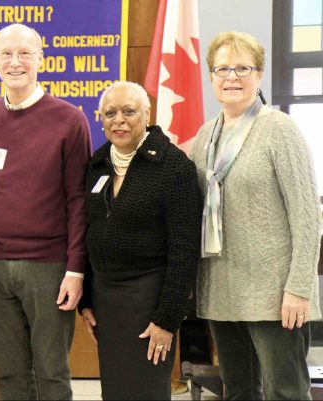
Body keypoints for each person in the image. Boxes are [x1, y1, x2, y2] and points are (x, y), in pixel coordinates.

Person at [190, 31, 321, 400]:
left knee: (286, 392)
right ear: (211, 77)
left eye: (243, 68)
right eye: (223, 68)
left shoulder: (279, 129)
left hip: (274, 292)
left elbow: (307, 215)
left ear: (258, 74)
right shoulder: (204, 136)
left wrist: (299, 287)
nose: (232, 77)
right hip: (221, 288)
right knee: (238, 391)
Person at [0, 23, 92, 400]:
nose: (15, 62)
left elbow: (79, 201)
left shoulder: (70, 120)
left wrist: (75, 269)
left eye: (24, 53)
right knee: (9, 373)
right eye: (6, 54)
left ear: (41, 59)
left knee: (52, 373)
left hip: (50, 267)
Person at [78, 81, 202, 400]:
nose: (119, 120)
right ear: (100, 119)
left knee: (146, 390)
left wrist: (167, 318)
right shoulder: (98, 163)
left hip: (150, 298)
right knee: (116, 390)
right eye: (110, 113)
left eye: (129, 111)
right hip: (106, 298)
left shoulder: (173, 167)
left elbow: (185, 252)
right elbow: (92, 231)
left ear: (147, 114)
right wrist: (87, 301)